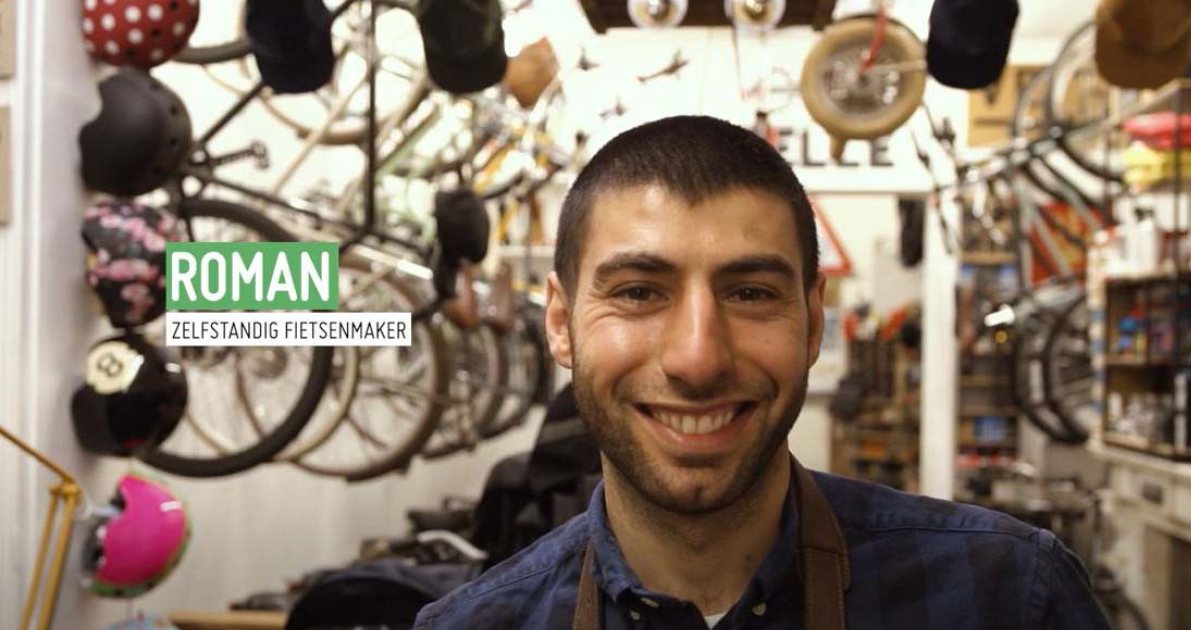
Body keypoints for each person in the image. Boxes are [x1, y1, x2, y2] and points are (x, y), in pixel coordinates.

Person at [412, 116, 1110, 629]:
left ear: (812, 321)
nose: (697, 359)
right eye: (638, 292)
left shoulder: (1009, 598)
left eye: (749, 293)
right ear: (562, 323)